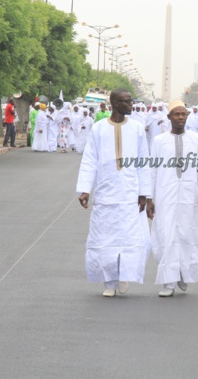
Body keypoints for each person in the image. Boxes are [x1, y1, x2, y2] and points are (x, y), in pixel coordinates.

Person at [76, 89, 151, 297]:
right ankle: (109, 282)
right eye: (127, 102)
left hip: (130, 192)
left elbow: (144, 162)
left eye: (131, 101)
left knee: (129, 236)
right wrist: (84, 189)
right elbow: (89, 160)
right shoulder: (99, 129)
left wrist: (144, 192)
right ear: (115, 103)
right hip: (106, 192)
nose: (131, 105)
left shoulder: (136, 128)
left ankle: (125, 274)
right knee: (105, 238)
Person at [147, 101, 198, 297]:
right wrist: (149, 198)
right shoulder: (159, 141)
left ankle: (183, 272)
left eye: (184, 114)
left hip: (189, 195)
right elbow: (152, 170)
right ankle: (168, 281)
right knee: (166, 235)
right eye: (177, 114)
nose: (181, 118)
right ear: (169, 117)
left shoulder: (196, 139)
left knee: (186, 234)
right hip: (165, 194)